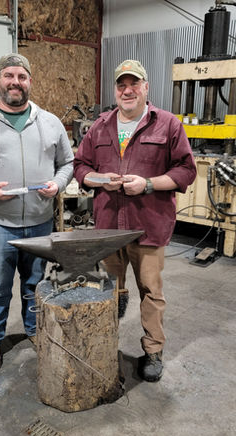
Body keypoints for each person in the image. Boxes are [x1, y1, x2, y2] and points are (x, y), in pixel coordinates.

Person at [73, 59, 196, 382]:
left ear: (146, 87)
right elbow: (80, 166)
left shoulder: (168, 124)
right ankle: (104, 344)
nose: (127, 91)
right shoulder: (100, 126)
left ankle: (153, 351)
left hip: (148, 226)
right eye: (121, 85)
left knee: (151, 291)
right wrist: (101, 180)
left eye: (134, 84)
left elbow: (186, 170)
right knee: (109, 290)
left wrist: (149, 184)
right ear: (116, 90)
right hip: (108, 228)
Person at [0, 53, 74, 371]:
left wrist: (58, 184)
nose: (15, 82)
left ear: (30, 81)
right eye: (9, 76)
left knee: (35, 285)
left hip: (40, 222)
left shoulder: (50, 122)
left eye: (21, 76)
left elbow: (67, 163)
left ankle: (34, 330)